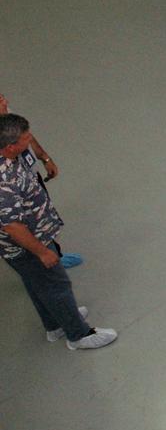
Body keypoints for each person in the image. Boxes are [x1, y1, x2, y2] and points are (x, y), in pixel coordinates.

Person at [1, 114, 117, 350]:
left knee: (37, 284)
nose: (30, 138)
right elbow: (12, 226)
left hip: (33, 237)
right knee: (57, 285)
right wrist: (42, 252)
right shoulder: (3, 181)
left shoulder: (10, 156)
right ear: (11, 146)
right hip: (29, 245)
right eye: (26, 137)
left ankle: (56, 324)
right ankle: (79, 335)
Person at [0, 93, 79, 268]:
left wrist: (44, 157)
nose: (5, 102)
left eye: (2, 97)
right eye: (0, 100)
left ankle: (54, 253)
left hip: (27, 176)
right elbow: (10, 223)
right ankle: (38, 259)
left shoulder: (6, 115)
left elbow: (25, 135)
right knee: (23, 224)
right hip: (10, 188)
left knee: (39, 210)